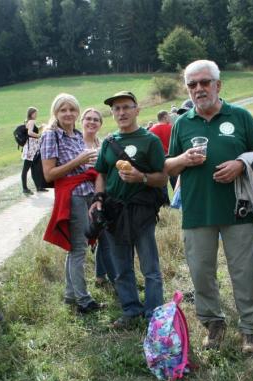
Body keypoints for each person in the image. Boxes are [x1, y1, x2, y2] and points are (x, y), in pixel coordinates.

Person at [165, 59, 253, 354]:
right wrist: (183, 159)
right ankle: (213, 323)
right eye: (192, 84)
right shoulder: (182, 123)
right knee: (200, 272)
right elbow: (168, 167)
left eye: (204, 82)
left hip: (238, 210)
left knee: (244, 273)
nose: (199, 89)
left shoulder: (241, 117)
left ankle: (250, 329)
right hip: (197, 210)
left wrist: (240, 164)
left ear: (218, 85)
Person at [92, 91, 168, 328]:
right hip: (115, 212)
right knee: (121, 267)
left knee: (150, 268)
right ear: (113, 114)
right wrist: (98, 198)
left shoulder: (150, 140)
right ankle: (131, 311)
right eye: (117, 109)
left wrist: (141, 177)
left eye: (126, 107)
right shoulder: (108, 142)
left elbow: (163, 178)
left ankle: (154, 313)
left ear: (137, 110)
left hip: (142, 212)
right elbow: (101, 173)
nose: (122, 112)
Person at [40, 93, 103, 314]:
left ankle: (70, 295)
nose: (68, 114)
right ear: (55, 113)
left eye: (72, 110)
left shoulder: (75, 135)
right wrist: (80, 161)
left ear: (77, 112)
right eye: (63, 110)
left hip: (85, 193)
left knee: (76, 248)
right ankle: (84, 301)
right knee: (78, 250)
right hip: (72, 195)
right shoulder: (51, 135)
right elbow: (49, 174)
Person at [80, 107, 117, 289]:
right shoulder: (76, 143)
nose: (92, 122)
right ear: (82, 122)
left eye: (96, 119)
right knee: (95, 237)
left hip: (101, 195)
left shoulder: (102, 144)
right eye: (88, 119)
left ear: (101, 124)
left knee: (105, 236)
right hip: (83, 195)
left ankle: (101, 276)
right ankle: (115, 280)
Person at [21, 107, 48, 194]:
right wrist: (40, 135)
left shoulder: (28, 121)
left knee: (35, 168)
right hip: (31, 149)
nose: (36, 115)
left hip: (32, 148)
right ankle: (25, 188)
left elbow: (31, 130)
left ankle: (38, 187)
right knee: (26, 169)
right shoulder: (31, 121)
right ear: (31, 114)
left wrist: (40, 127)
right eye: (35, 113)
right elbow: (29, 133)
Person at [148, 110, 177, 190]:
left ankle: (165, 201)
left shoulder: (151, 130)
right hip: (171, 157)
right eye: (168, 116)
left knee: (161, 184)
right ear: (165, 117)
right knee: (175, 183)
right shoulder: (171, 128)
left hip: (157, 159)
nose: (170, 118)